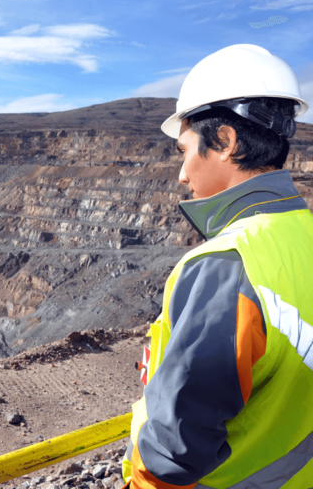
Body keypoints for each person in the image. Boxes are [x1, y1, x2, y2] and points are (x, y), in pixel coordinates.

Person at [121, 44, 313, 488]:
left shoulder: (226, 266)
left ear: (224, 141)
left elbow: (175, 451)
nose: (182, 175)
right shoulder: (302, 237)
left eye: (184, 151)